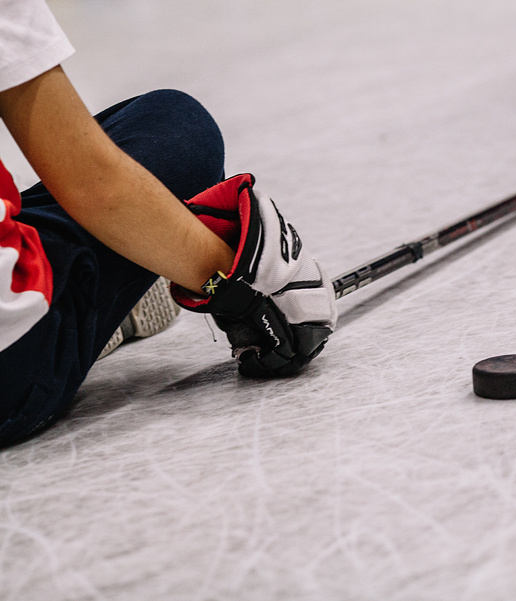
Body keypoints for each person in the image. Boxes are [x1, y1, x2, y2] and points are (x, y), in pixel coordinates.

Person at [0, 0, 337, 448]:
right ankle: (94, 311)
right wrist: (245, 289)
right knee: (177, 129)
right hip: (13, 376)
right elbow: (95, 187)